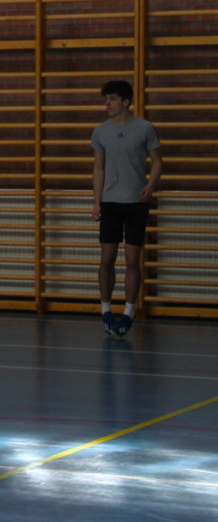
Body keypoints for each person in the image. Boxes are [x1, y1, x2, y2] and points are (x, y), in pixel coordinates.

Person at [91, 80, 162, 337]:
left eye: (111, 99)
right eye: (106, 99)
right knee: (106, 258)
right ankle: (106, 310)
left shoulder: (145, 128)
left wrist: (150, 185)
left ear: (125, 102)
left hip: (136, 202)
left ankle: (129, 312)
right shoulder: (100, 131)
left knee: (132, 260)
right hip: (110, 202)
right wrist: (97, 201)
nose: (107, 104)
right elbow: (98, 168)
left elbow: (157, 161)